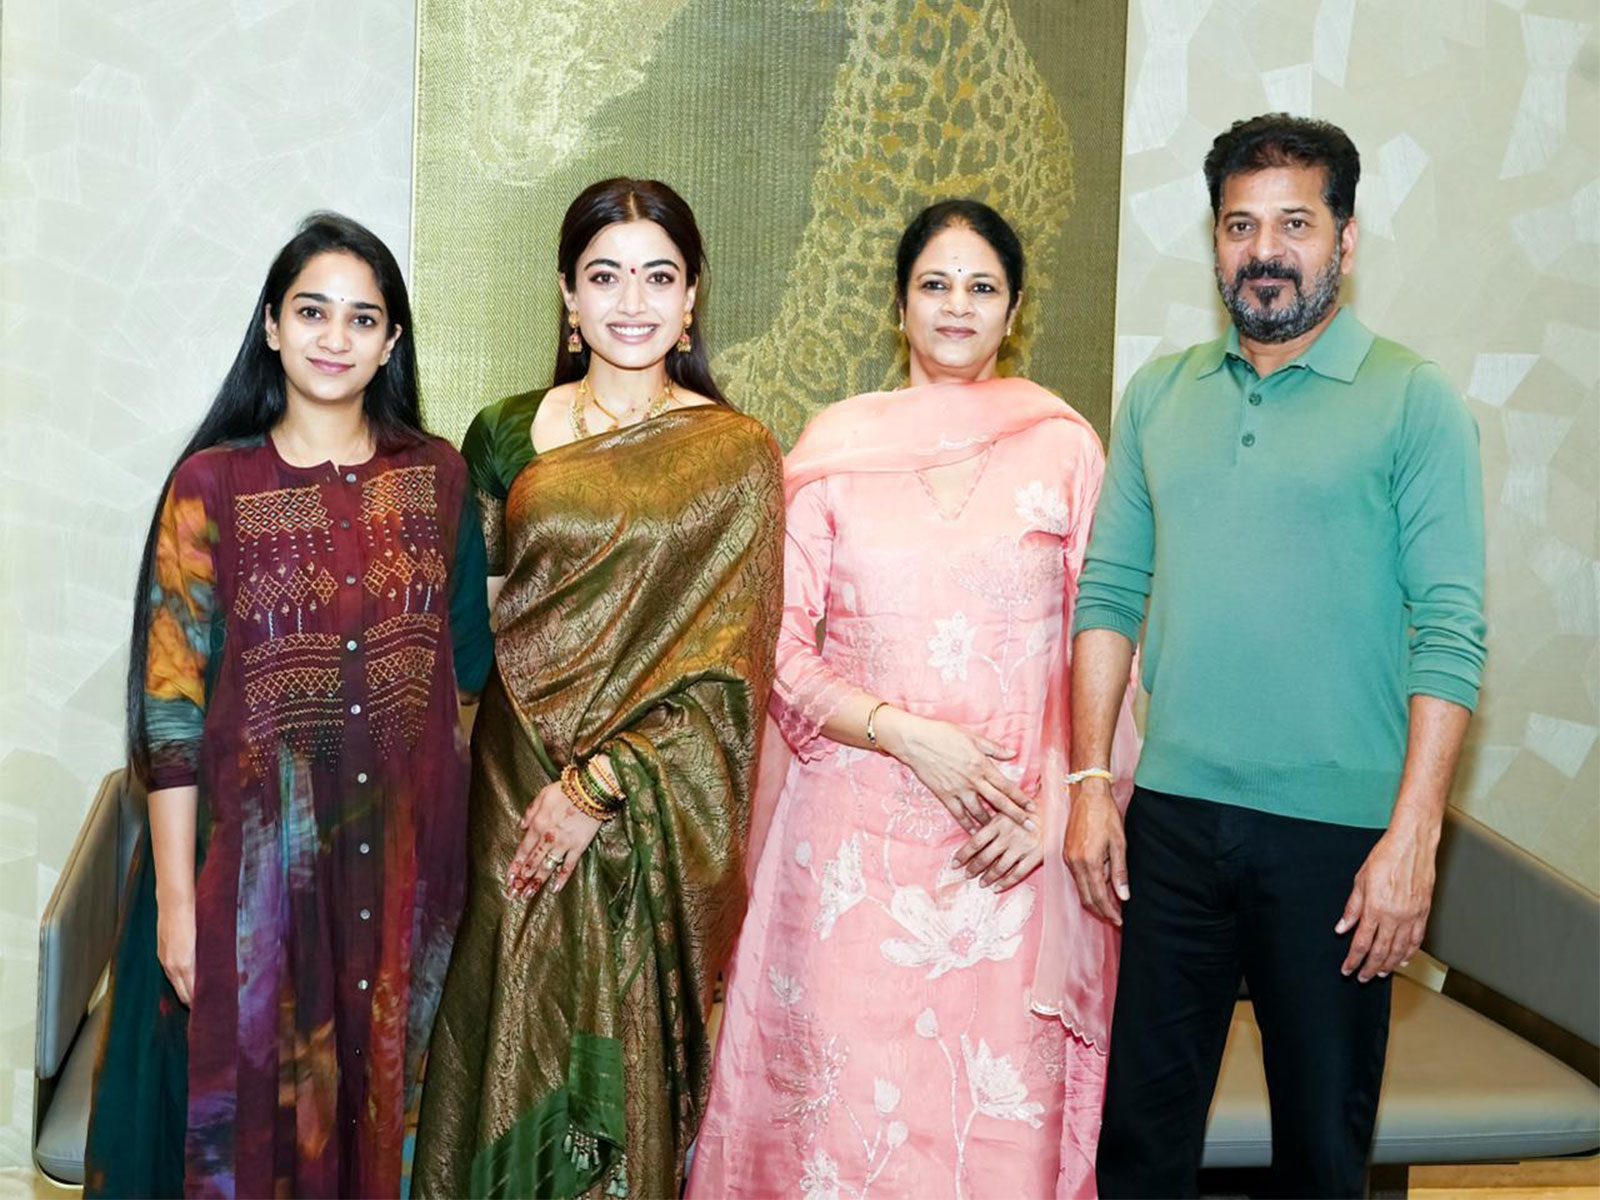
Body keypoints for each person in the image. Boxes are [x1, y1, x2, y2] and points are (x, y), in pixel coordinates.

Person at [1065, 114, 1487, 1198]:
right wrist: (1089, 784)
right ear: (1213, 242)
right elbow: (1107, 596)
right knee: (1140, 1144)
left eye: (1295, 223)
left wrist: (1412, 836)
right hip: (1171, 821)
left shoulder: (1411, 400)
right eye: (1240, 224)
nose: (1265, 250)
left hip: (1338, 846)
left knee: (1319, 1152)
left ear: (1344, 240)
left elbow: (1451, 630)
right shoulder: (1158, 395)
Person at [687, 199, 1138, 1200]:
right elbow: (780, 655)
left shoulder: (1064, 450)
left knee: (985, 1135)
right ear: (898, 306)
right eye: (934, 284)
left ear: (1013, 309)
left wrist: (1062, 809)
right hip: (849, 859)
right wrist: (909, 737)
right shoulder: (833, 447)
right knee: (841, 1128)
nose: (956, 306)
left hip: (1008, 850)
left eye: (981, 287)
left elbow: (1104, 647)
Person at [84, 212, 493, 1198]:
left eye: (362, 318)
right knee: (235, 1140)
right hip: (247, 887)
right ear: (272, 324)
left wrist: (446, 870)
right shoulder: (212, 488)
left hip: (395, 891)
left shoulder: (437, 482)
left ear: (392, 342)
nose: (334, 337)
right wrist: (179, 911)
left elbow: (468, 679)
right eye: (312, 310)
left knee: (375, 1129)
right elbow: (170, 721)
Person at [410, 178, 784, 1200]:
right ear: (567, 299)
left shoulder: (736, 454)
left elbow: (727, 672)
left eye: (658, 276)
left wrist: (600, 785)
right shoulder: (501, 434)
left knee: (596, 1068)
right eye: (604, 276)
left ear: (693, 297)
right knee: (505, 1035)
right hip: (508, 796)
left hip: (636, 821)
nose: (632, 301)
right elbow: (481, 638)